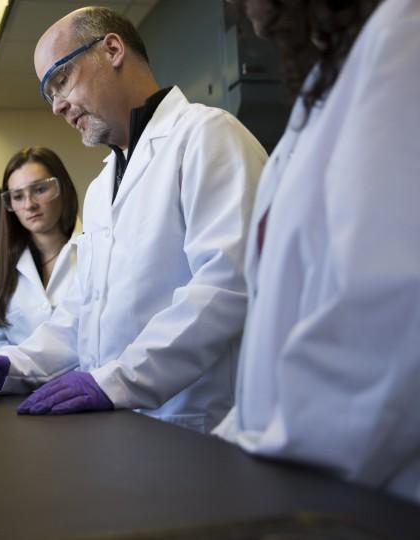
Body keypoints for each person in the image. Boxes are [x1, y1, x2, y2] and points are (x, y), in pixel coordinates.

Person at [0, 6, 267, 431]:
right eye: (48, 93)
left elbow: (226, 288)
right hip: (123, 425)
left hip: (197, 425)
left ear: (112, 49)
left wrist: (116, 382)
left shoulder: (207, 136)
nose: (57, 107)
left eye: (61, 80)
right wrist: (7, 366)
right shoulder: (102, 187)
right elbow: (83, 316)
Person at [213, 0, 420, 503]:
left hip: (358, 485)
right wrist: (228, 444)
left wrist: (276, 458)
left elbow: (391, 305)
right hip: (290, 465)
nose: (240, 6)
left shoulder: (402, 34)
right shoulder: (322, 89)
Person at [0, 147, 79, 356]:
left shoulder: (94, 252)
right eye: (18, 196)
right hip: (17, 387)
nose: (29, 205)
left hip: (82, 385)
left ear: (62, 188)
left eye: (39, 190)